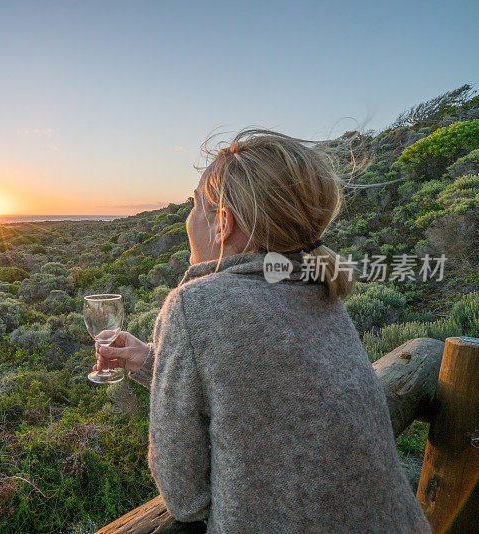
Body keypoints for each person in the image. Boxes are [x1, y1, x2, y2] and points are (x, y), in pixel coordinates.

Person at [93, 129, 431, 533]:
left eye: (196, 206)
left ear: (223, 223)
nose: (188, 219)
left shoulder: (195, 305)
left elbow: (185, 498)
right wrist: (153, 361)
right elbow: (267, 396)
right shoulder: (318, 285)